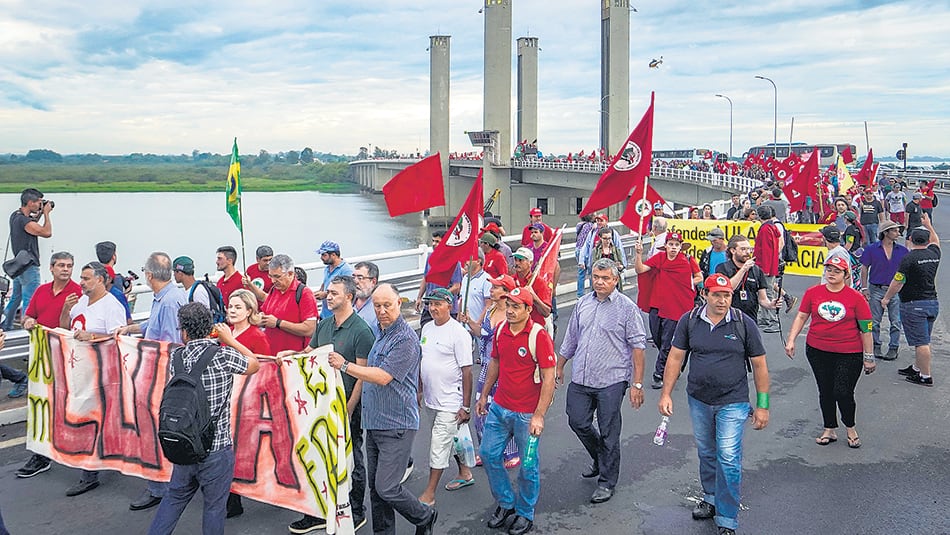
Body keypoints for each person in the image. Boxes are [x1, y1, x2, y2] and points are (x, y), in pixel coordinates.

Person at [658, 273, 770, 535]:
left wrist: (762, 405)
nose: (722, 300)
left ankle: (728, 519)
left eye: (727, 295)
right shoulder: (689, 321)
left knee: (728, 458)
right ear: (704, 295)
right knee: (707, 453)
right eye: (716, 295)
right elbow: (675, 358)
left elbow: (760, 365)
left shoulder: (744, 323)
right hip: (699, 399)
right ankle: (710, 498)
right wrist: (666, 393)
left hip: (733, 402)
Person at [325, 283, 438, 535]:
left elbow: (383, 376)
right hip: (374, 421)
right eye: (377, 306)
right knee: (376, 491)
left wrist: (345, 366)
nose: (382, 310)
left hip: (397, 424)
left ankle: (424, 515)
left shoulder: (406, 339)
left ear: (399, 303)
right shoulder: (379, 330)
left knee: (387, 487)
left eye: (387, 305)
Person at [147, 303, 260, 535]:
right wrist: (229, 340)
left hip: (184, 442)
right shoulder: (223, 355)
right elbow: (254, 364)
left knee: (174, 498)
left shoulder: (176, 357)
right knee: (214, 507)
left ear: (184, 332)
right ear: (211, 329)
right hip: (216, 447)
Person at [282, 276, 374, 533]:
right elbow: (309, 354)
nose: (328, 296)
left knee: (352, 457)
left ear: (349, 297)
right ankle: (319, 510)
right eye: (328, 292)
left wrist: (349, 408)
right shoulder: (324, 325)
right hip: (321, 405)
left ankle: (356, 511)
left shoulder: (361, 331)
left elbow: (361, 376)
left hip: (346, 405)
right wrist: (292, 355)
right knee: (318, 455)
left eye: (334, 293)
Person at [557, 258, 646, 504]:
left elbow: (638, 347)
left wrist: (637, 384)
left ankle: (607, 482)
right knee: (577, 421)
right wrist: (560, 365)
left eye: (605, 278)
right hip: (582, 378)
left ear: (615, 280)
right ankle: (600, 457)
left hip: (612, 380)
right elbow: (571, 338)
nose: (599, 282)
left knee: (609, 431)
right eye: (596, 277)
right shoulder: (583, 303)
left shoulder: (627, 308)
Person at [476, 286, 556, 535]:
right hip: (500, 408)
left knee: (528, 465)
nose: (509, 311)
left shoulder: (538, 336)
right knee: (489, 455)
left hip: (526, 415)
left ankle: (525, 513)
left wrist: (539, 415)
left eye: (515, 306)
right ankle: (506, 503)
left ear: (528, 310)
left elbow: (549, 376)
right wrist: (485, 395)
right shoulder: (501, 330)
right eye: (507, 305)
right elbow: (495, 363)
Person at [117, 252, 189, 511]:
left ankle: (162, 487)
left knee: (155, 431)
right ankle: (164, 484)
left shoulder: (169, 302)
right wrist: (132, 329)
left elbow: (169, 345)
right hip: (161, 376)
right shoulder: (168, 297)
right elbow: (154, 325)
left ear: (148, 275)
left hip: (161, 377)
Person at [785, 256, 874, 448]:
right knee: (825, 390)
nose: (832, 274)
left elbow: (866, 329)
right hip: (818, 350)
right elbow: (801, 316)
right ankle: (829, 428)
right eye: (829, 270)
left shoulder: (856, 298)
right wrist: (791, 339)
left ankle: (850, 427)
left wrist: (869, 357)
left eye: (837, 271)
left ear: (845, 274)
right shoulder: (813, 293)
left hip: (849, 352)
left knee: (842, 391)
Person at [62, 262, 127, 497]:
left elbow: (119, 337)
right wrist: (64, 310)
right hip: (80, 372)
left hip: (102, 374)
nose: (81, 282)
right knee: (93, 420)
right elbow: (65, 328)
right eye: (81, 277)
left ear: (100, 280)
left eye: (86, 278)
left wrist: (91, 336)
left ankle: (89, 473)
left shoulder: (112, 306)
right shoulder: (79, 302)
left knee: (93, 422)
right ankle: (112, 455)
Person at [14, 252, 82, 477]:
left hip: (68, 357)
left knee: (68, 404)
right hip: (43, 357)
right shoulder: (41, 291)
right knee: (42, 403)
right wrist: (29, 321)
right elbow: (27, 317)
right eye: (61, 265)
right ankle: (41, 454)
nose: (66, 269)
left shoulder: (77, 293)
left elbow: (73, 328)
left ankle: (75, 449)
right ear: (52, 268)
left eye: (69, 266)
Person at [417, 288, 475, 506]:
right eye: (430, 304)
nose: (433, 308)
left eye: (437, 304)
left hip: (451, 401)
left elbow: (467, 371)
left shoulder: (459, 333)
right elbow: (423, 361)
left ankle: (429, 494)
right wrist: (420, 389)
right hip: (432, 398)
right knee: (454, 439)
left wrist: (466, 406)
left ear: (449, 306)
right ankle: (465, 473)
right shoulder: (426, 329)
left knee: (439, 445)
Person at [459, 274, 520, 470]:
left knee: (505, 413)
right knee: (481, 411)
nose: (491, 291)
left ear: (506, 293)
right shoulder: (490, 311)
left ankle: (511, 451)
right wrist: (469, 321)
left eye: (495, 288)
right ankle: (487, 449)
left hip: (505, 370)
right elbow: (480, 334)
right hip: (486, 368)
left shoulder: (512, 317)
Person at [634, 232, 702, 389]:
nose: (673, 247)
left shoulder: (687, 260)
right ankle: (675, 363)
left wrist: (688, 282)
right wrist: (638, 255)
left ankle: (659, 374)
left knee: (666, 342)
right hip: (657, 304)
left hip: (675, 306)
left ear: (680, 247)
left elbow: (699, 276)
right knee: (657, 338)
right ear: (666, 246)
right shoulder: (659, 258)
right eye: (671, 244)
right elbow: (640, 270)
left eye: (676, 245)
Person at [882, 213, 940, 387]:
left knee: (921, 342)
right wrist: (929, 224)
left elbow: (897, 282)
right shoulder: (934, 253)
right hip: (932, 303)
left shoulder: (909, 258)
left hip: (914, 304)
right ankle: (917, 367)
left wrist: (886, 298)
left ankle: (925, 376)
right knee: (924, 338)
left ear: (910, 240)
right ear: (926, 240)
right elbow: (936, 240)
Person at [2, 188, 53, 330]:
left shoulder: (15, 216)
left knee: (15, 298)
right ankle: (26, 331)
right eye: (38, 202)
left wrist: (40, 214)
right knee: (30, 300)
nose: (40, 205)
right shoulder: (24, 221)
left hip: (19, 265)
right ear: (30, 203)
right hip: (29, 266)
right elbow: (46, 232)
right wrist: (47, 215)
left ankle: (5, 326)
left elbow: (31, 225)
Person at [859, 220, 908, 360]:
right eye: (895, 230)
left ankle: (893, 347)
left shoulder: (903, 251)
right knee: (874, 320)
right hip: (876, 288)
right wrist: (864, 287)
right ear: (885, 233)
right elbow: (864, 268)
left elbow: (906, 272)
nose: (898, 233)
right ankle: (876, 345)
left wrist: (903, 287)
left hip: (896, 290)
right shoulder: (872, 249)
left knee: (896, 321)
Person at [259, 254, 319, 352]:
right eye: (270, 276)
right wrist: (260, 318)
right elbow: (266, 312)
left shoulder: (304, 293)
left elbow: (310, 329)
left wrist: (278, 323)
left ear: (290, 274)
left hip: (293, 357)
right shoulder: (274, 289)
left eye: (277, 276)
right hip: (272, 354)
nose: (273, 280)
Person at [415, 231, 462, 328]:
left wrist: (440, 296)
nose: (434, 244)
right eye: (433, 241)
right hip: (429, 307)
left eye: (437, 241)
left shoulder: (453, 261)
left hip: (446, 309)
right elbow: (425, 278)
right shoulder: (430, 257)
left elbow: (456, 286)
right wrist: (419, 297)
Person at [511, 248, 553, 330]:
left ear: (530, 263)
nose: (516, 263)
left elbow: (546, 312)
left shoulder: (539, 282)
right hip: (515, 327)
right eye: (515, 259)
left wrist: (534, 298)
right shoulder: (511, 281)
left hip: (535, 328)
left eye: (520, 260)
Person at [313, 240, 354, 319]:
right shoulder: (327, 268)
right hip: (324, 314)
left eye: (324, 255)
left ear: (333, 255)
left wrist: (325, 294)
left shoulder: (346, 270)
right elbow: (324, 285)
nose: (321, 258)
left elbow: (348, 293)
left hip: (336, 316)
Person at [460, 251, 492, 326]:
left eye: (469, 259)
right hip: (464, 326)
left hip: (478, 328)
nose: (466, 262)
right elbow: (462, 300)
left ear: (478, 261)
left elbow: (489, 305)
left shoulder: (486, 279)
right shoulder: (465, 278)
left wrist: (477, 324)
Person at [590, 227, 625, 291]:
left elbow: (622, 265)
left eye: (609, 238)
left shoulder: (616, 250)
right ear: (600, 238)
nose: (608, 241)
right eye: (605, 238)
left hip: (612, 281)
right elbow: (593, 266)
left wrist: (620, 267)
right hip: (601, 279)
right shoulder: (596, 251)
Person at [574, 215, 596, 297]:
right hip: (585, 250)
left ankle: (580, 294)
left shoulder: (579, 225)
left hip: (577, 249)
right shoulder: (590, 226)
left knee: (581, 274)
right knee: (591, 272)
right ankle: (592, 292)